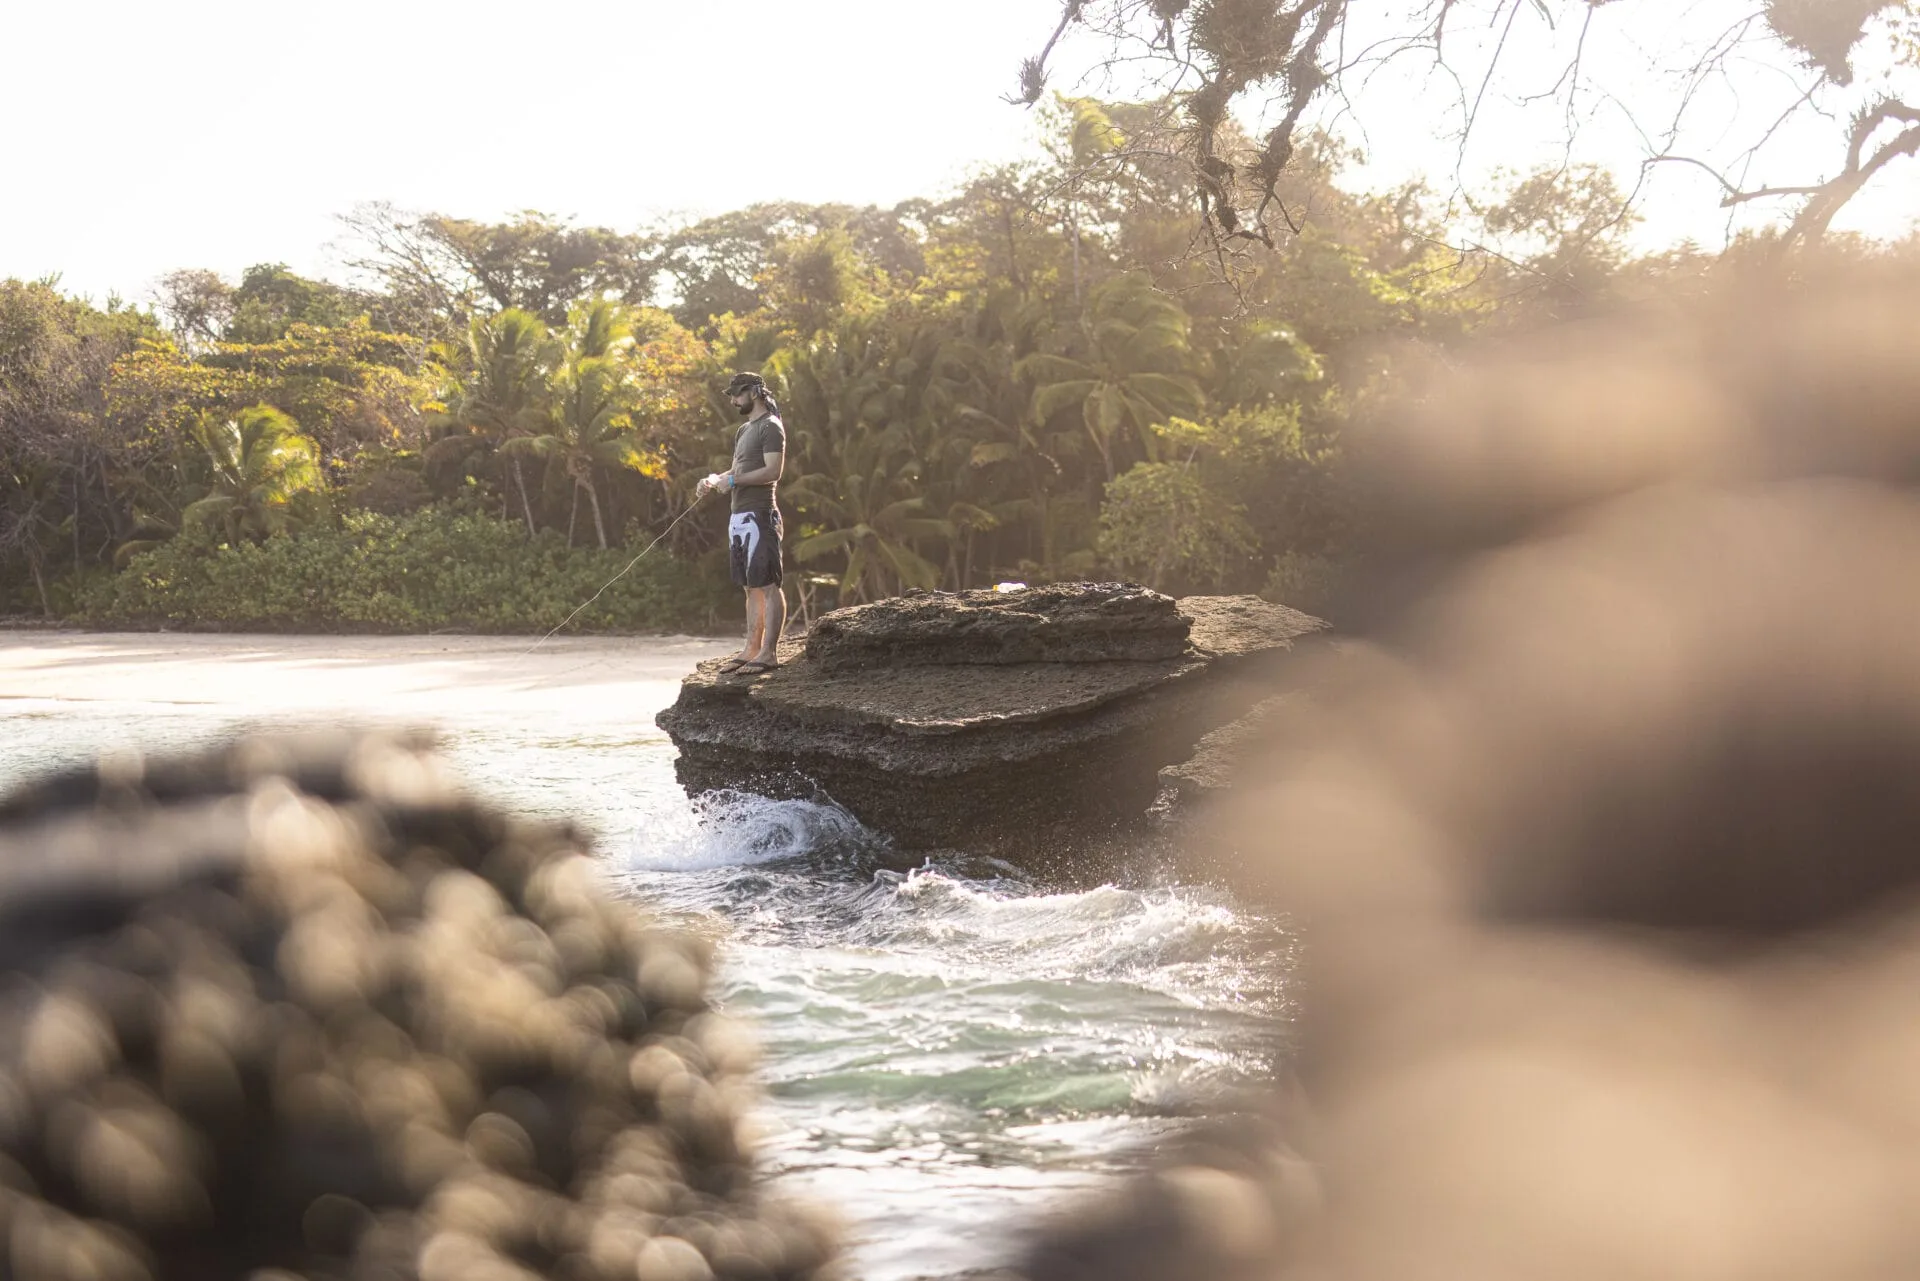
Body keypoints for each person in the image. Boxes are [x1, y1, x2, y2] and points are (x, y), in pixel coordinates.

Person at [697, 371, 787, 676]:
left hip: (760, 515)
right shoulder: (743, 430)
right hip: (738, 518)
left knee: (768, 585)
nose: (734, 400)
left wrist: (734, 480)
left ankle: (769, 653)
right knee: (751, 588)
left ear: (755, 392)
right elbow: (736, 469)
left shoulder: (770, 427)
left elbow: (773, 471)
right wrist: (713, 481)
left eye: (737, 394)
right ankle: (751, 649)